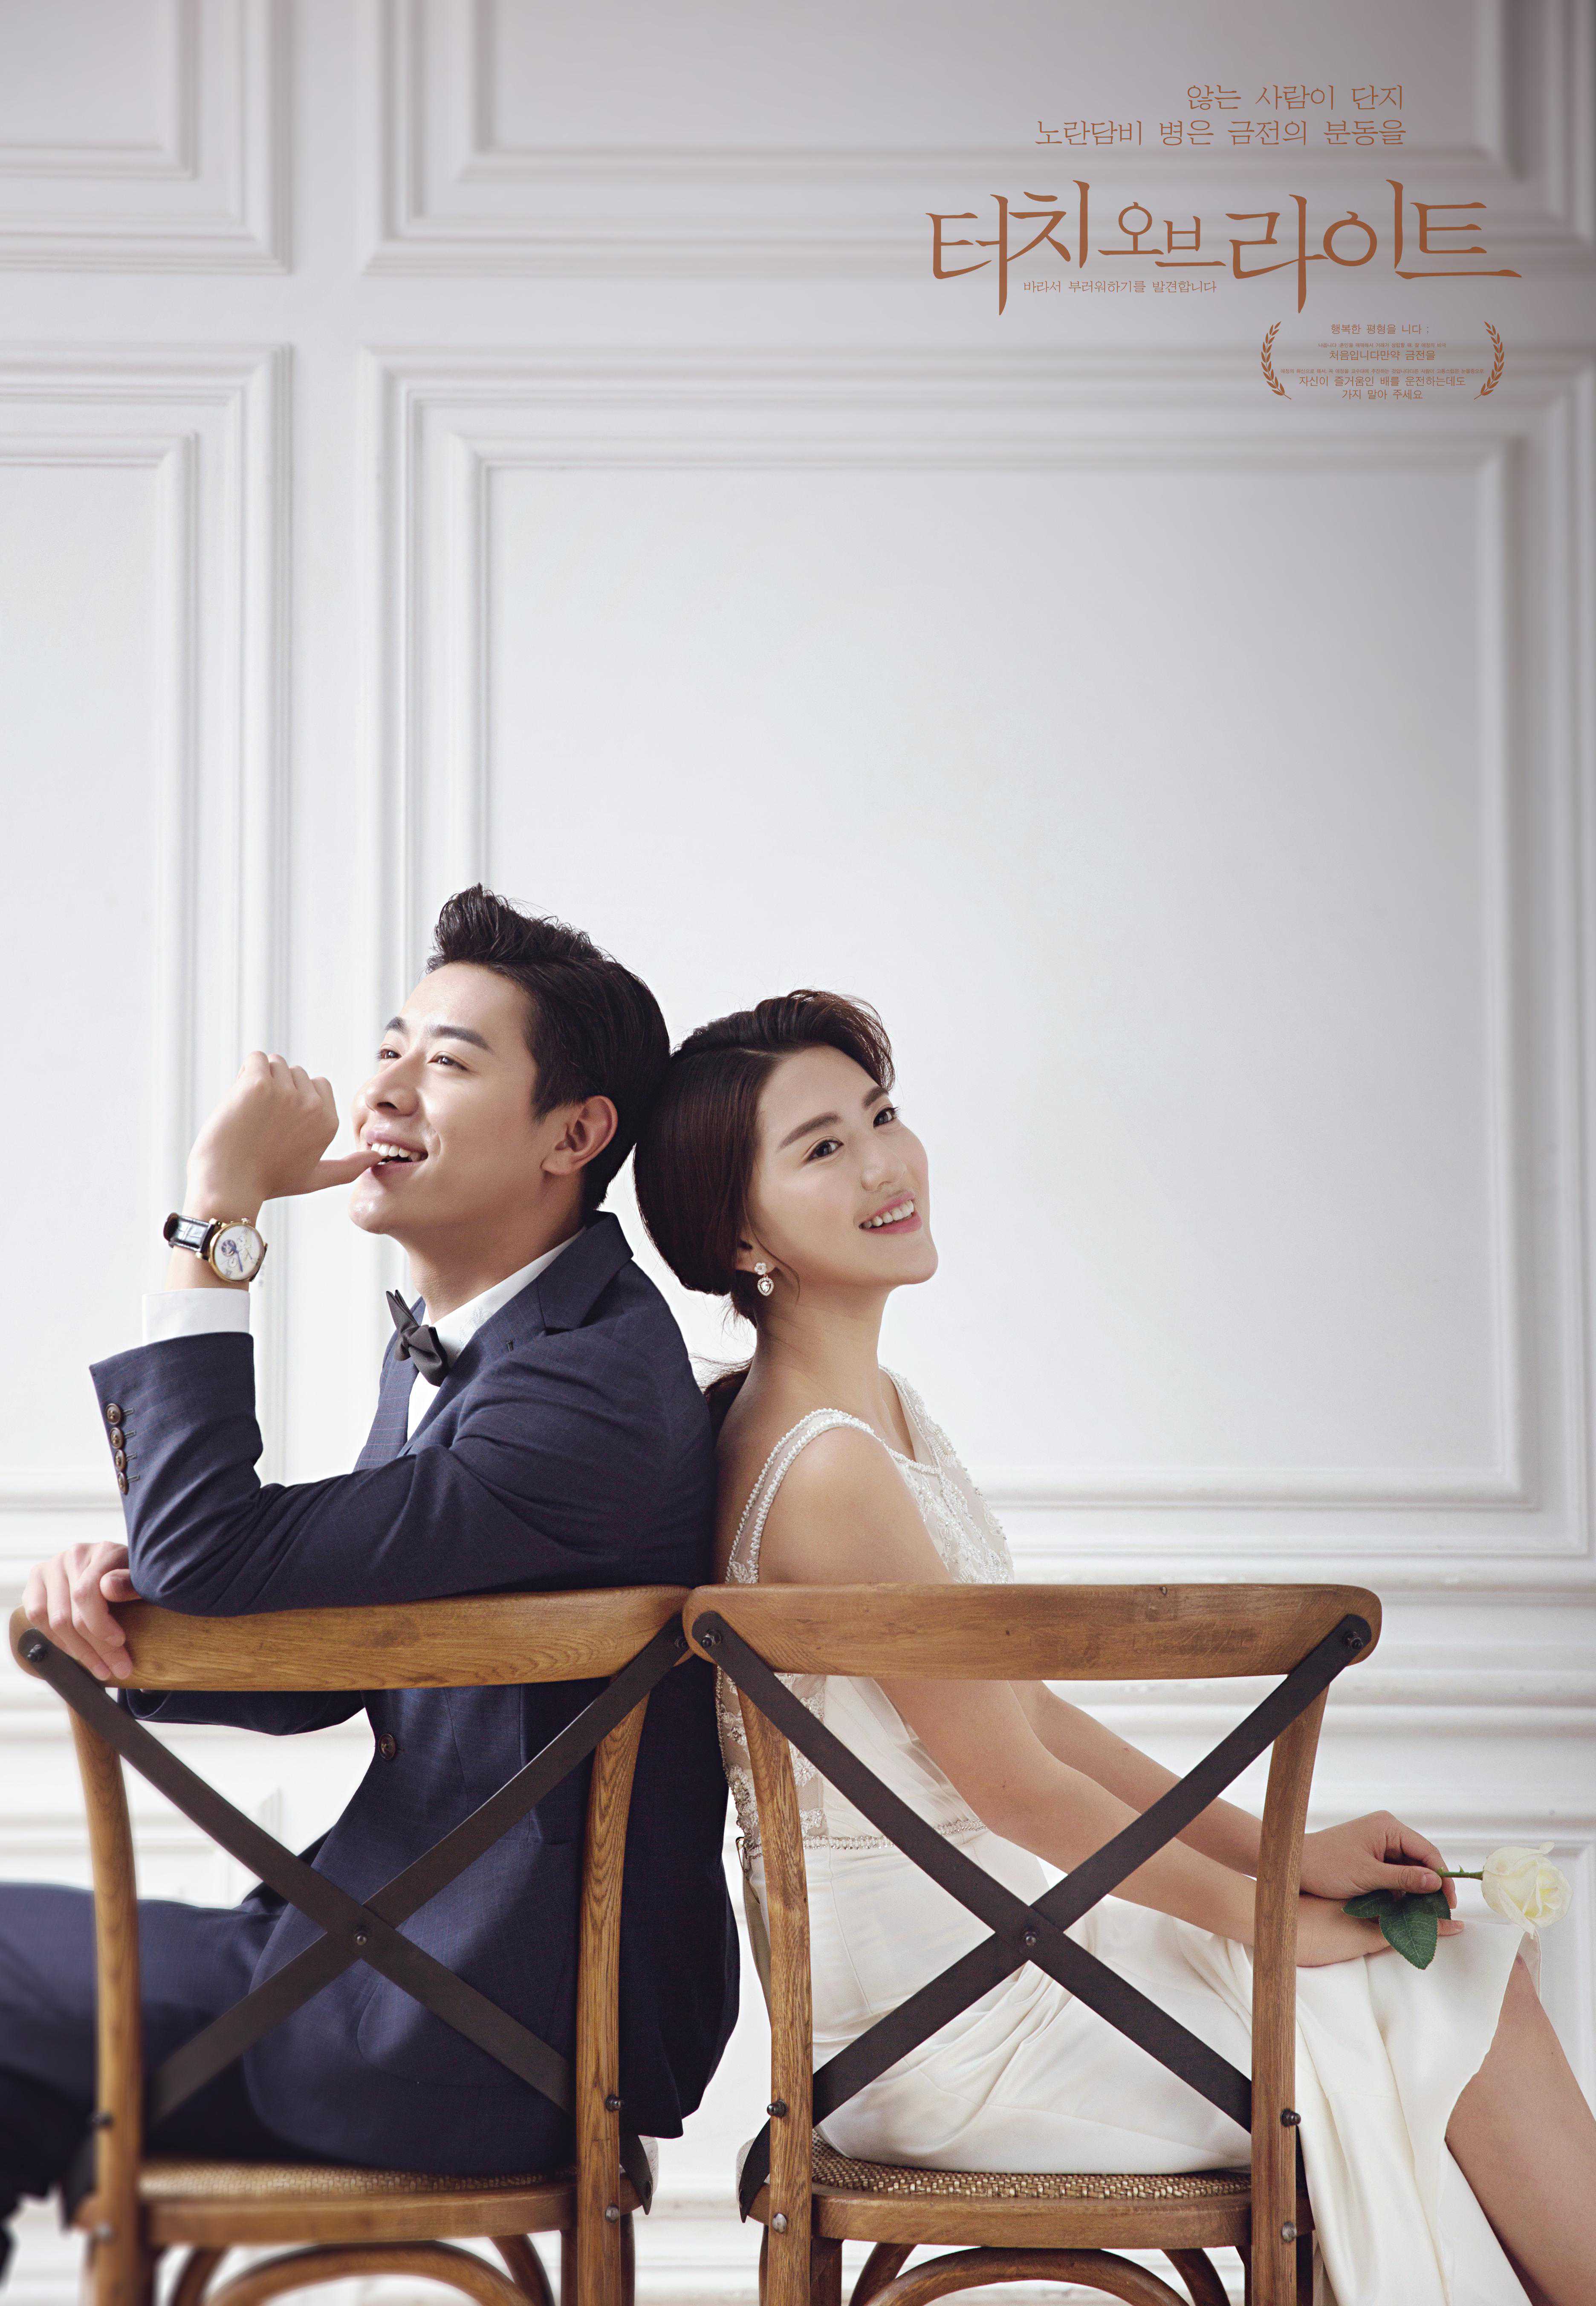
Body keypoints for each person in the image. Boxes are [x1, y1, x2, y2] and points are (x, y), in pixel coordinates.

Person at [632, 988, 1596, 2306]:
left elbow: (1026, 1718)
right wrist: (1269, 1923)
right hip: (953, 2030)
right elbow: (1015, 1789)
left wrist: (1281, 1862)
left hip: (1009, 1951)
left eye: (882, 1115)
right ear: (741, 1235)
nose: (884, 1164)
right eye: (822, 1148)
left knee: (1460, 1971)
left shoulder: (876, 1412)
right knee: (1456, 1990)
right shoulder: (828, 1469)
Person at [3, 887, 739, 2282]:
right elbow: (318, 1654)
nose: (383, 1089)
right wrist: (127, 1614)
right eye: (390, 1046)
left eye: (447, 1062)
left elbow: (219, 1559)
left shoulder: (579, 1391)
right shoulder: (512, 1341)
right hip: (390, 1964)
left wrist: (217, 1209)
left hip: (467, 2023)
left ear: (575, 1135)